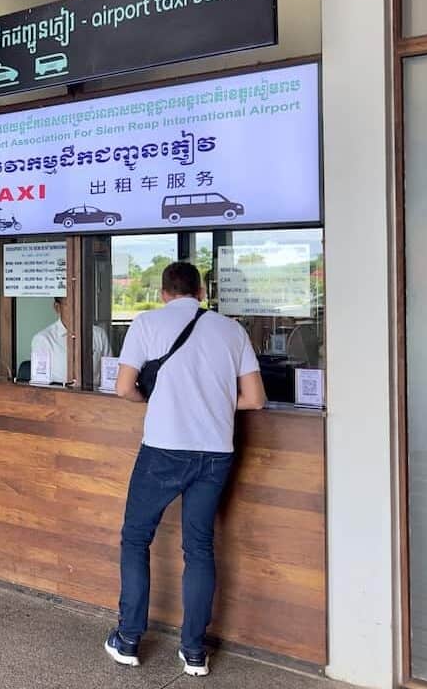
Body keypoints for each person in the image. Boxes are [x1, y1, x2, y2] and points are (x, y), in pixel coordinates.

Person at [107, 261, 266, 677]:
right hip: (215, 453)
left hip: (163, 449)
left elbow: (124, 387)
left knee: (136, 539)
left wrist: (158, 402)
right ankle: (195, 651)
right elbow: (255, 398)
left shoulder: (146, 323)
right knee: (199, 548)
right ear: (201, 292)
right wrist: (212, 402)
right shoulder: (231, 329)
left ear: (164, 293)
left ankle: (127, 639)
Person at [29, 296, 111, 385]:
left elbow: (110, 377)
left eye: (80, 304)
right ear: (57, 307)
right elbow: (39, 384)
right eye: (71, 305)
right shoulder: (43, 340)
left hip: (94, 397)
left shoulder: (98, 334)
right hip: (60, 396)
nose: (77, 309)